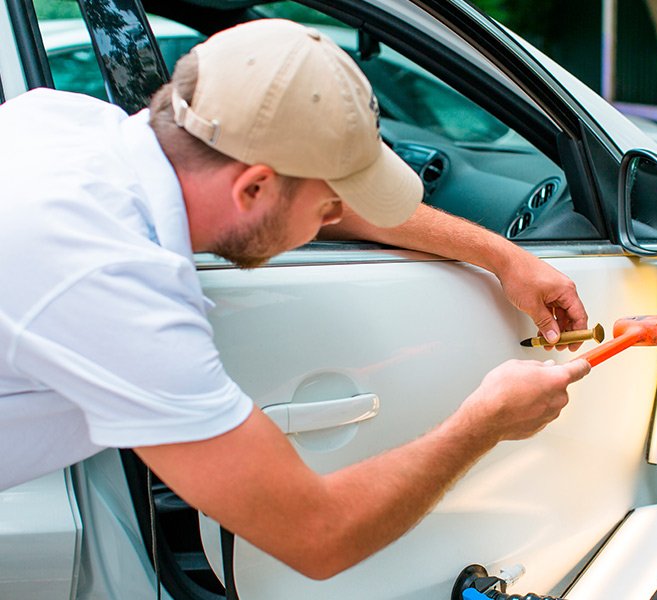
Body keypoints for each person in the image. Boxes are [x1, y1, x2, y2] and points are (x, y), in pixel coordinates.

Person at [0, 19, 590, 579]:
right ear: (253, 186)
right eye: (328, 205)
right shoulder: (113, 283)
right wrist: (484, 422)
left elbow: (293, 204)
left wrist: (503, 255)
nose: (333, 219)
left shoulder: (67, 123)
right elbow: (317, 534)